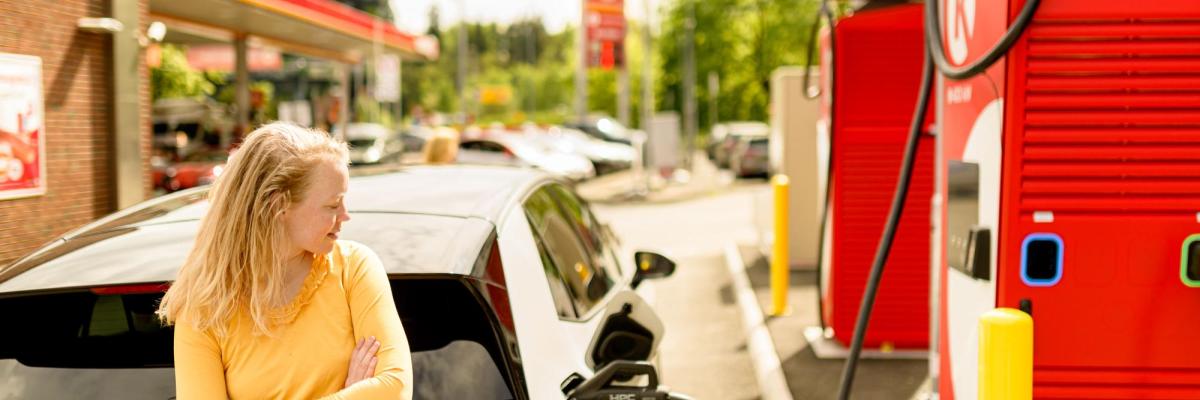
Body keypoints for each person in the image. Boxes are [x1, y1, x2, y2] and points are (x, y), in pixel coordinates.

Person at [157, 122, 412, 399]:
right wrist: (350, 394)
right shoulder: (203, 310)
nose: (345, 215)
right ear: (278, 205)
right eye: (332, 204)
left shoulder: (354, 268)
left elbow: (395, 388)